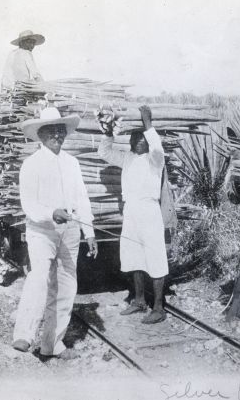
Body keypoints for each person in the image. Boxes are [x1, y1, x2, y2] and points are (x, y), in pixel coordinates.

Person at [12, 107, 98, 360]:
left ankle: (52, 344)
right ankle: (24, 336)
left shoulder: (72, 163)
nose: (57, 136)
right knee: (39, 278)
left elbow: (82, 198)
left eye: (61, 131)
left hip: (69, 229)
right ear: (40, 134)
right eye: (51, 131)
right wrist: (52, 213)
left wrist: (88, 231)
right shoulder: (31, 165)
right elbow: (29, 205)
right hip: (42, 230)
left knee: (67, 284)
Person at [98, 105, 169, 324]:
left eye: (142, 138)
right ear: (129, 142)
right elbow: (105, 152)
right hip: (131, 211)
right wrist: (108, 132)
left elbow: (157, 146)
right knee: (133, 255)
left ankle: (158, 307)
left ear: (147, 141)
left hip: (149, 211)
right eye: (134, 138)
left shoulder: (155, 160)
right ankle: (139, 300)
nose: (138, 141)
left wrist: (148, 124)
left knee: (155, 256)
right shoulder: (127, 159)